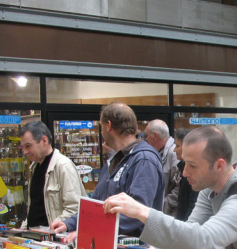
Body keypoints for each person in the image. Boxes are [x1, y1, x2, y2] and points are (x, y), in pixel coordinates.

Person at [103, 125, 237, 249]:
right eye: (184, 163)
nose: (184, 173)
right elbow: (190, 230)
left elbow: (203, 239)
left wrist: (142, 212)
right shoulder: (210, 189)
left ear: (219, 165)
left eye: (193, 166)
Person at [50, 102, 164, 239]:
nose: (101, 132)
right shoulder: (114, 161)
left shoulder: (144, 159)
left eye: (101, 126)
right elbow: (95, 205)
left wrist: (92, 229)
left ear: (108, 125)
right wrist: (69, 223)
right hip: (108, 246)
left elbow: (138, 212)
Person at [19, 121, 86, 229]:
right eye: (23, 147)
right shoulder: (34, 167)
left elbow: (75, 208)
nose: (25, 152)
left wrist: (52, 229)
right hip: (35, 238)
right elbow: (34, 207)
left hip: (53, 239)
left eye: (28, 146)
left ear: (44, 140)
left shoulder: (63, 166)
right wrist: (23, 230)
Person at [145, 119, 179, 216]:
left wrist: (164, 204)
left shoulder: (174, 153)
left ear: (155, 136)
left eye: (147, 135)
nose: (146, 139)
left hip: (169, 214)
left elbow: (179, 187)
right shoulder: (158, 152)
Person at [173, 128, 199, 221]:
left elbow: (193, 203)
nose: (174, 150)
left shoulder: (196, 172)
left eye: (177, 146)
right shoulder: (181, 167)